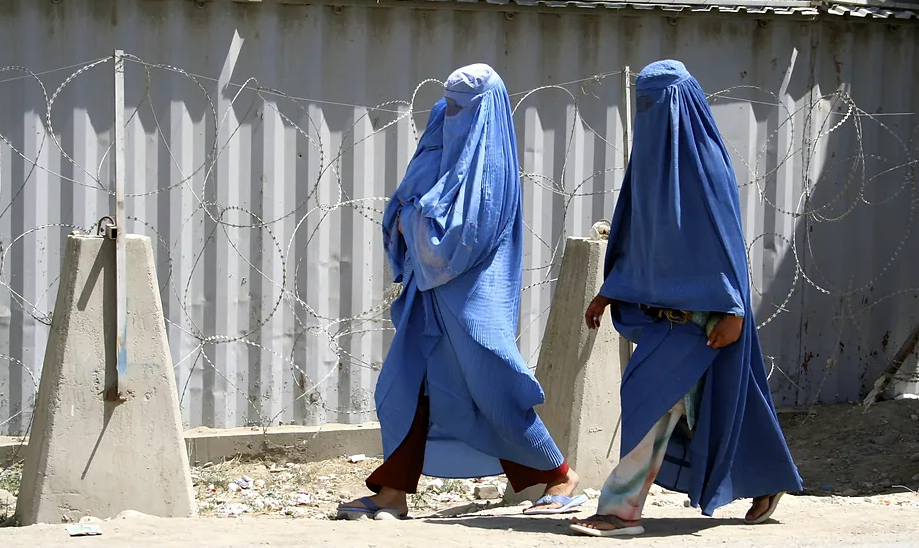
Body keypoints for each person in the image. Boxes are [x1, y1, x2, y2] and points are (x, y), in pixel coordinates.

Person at [337, 63, 585, 521]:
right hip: (427, 301)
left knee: (493, 391)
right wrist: (410, 214)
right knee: (402, 388)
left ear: (484, 112)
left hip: (472, 303)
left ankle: (560, 476)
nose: (452, 115)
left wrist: (414, 217)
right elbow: (403, 213)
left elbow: (456, 239)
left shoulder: (489, 168)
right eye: (447, 104)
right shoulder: (441, 149)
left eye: (461, 107)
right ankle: (392, 492)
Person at [569, 60, 803, 537]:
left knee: (649, 402)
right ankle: (767, 474)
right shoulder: (651, 166)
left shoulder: (702, 163)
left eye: (660, 103)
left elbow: (724, 242)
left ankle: (620, 509)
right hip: (659, 316)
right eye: (645, 103)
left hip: (701, 316)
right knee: (718, 402)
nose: (653, 113)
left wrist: (735, 309)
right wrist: (609, 291)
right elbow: (640, 239)